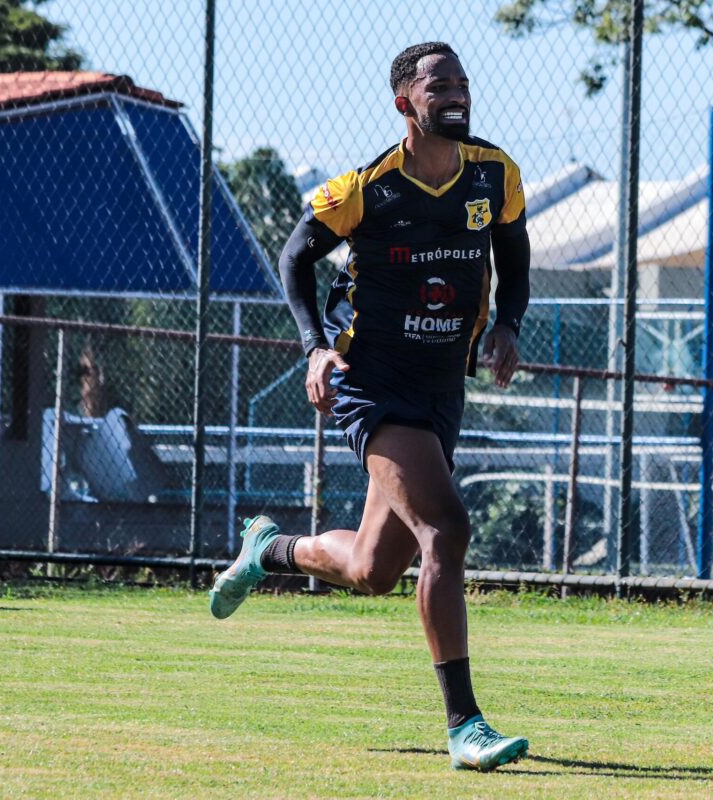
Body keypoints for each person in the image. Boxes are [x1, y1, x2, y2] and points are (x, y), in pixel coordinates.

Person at [209, 41, 531, 772]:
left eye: (462, 82)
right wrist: (315, 348)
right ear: (404, 104)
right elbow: (295, 257)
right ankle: (466, 727)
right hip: (372, 381)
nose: (455, 93)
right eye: (437, 84)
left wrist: (508, 325)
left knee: (372, 570)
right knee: (446, 529)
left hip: (442, 383)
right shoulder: (367, 189)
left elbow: (514, 259)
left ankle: (270, 548)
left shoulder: (495, 174)